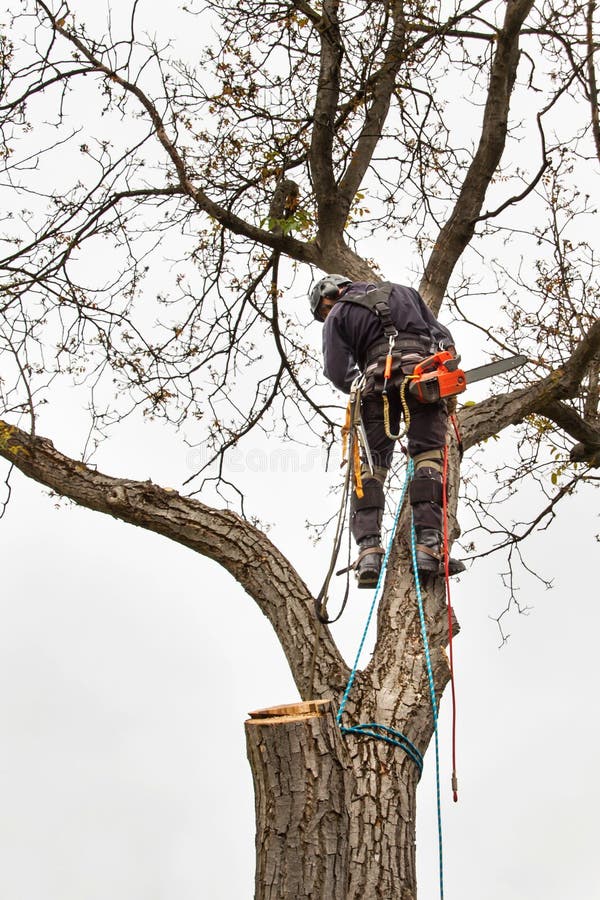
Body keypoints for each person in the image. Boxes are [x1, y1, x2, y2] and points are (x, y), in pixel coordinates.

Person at [310, 274, 465, 588]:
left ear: (329, 293)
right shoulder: (405, 292)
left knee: (370, 468)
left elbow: (337, 370)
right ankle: (429, 545)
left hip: (374, 387)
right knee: (429, 459)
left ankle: (368, 550)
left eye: (323, 311)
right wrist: (445, 376)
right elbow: (444, 339)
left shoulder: (338, 315)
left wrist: (361, 381)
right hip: (421, 377)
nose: (326, 315)